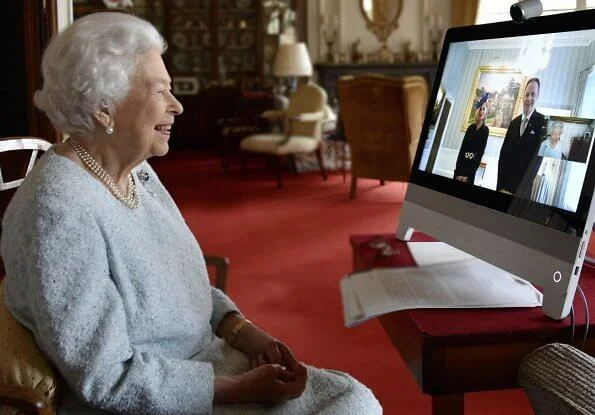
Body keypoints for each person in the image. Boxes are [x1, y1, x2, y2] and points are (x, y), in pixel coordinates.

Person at [1, 13, 381, 415]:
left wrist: (240, 329)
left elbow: (180, 286)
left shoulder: (135, 172)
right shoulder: (58, 212)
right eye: (160, 90)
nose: (177, 105)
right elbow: (107, 379)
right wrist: (238, 389)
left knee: (350, 398)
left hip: (206, 363)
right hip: (157, 397)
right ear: (103, 109)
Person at [497, 77, 545, 196]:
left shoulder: (542, 123)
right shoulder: (513, 123)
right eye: (527, 94)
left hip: (522, 192)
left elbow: (536, 162)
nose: (529, 98)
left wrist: (519, 192)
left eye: (533, 95)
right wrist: (501, 187)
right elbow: (503, 157)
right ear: (523, 95)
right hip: (504, 189)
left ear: (537, 96)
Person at [454, 93, 490, 184]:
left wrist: (469, 174)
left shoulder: (485, 130)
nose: (481, 111)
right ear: (477, 111)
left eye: (484, 109)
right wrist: (458, 171)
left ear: (486, 112)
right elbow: (463, 149)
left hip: (471, 170)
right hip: (461, 165)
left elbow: (480, 152)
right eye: (480, 109)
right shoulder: (470, 128)